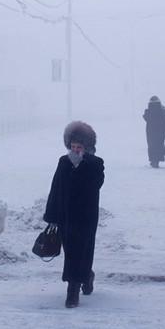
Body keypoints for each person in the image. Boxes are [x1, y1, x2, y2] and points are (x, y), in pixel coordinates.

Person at [43, 121, 104, 309]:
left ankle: (72, 292)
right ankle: (87, 275)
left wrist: (82, 166)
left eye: (79, 147)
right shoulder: (63, 161)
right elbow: (56, 188)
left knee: (81, 250)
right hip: (65, 216)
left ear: (87, 148)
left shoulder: (95, 163)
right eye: (73, 146)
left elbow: (96, 184)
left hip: (86, 217)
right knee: (71, 252)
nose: (75, 150)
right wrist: (52, 215)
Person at [143, 96, 165, 169]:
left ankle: (153, 161)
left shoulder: (149, 111)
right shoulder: (162, 111)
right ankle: (157, 161)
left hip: (150, 133)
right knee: (159, 146)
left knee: (151, 146)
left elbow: (145, 117)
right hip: (160, 133)